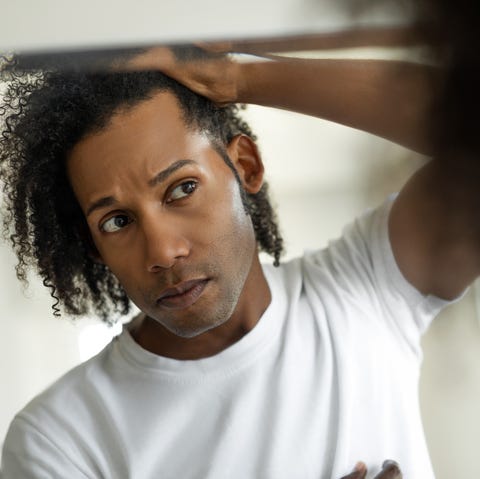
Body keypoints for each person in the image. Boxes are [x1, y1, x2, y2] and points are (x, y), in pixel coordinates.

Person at [0, 37, 465, 478]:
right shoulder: (60, 439)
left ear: (245, 166)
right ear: (93, 245)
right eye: (117, 221)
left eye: (182, 189)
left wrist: (241, 79)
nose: (163, 252)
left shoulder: (367, 287)